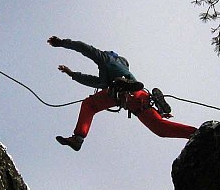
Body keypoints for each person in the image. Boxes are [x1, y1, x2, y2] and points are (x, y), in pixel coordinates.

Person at [48, 36, 197, 150]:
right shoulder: (108, 76)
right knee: (160, 128)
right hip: (137, 98)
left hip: (118, 94)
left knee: (90, 105)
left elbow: (83, 48)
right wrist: (71, 73)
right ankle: (194, 133)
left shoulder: (106, 58)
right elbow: (93, 81)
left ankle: (78, 138)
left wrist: (62, 43)